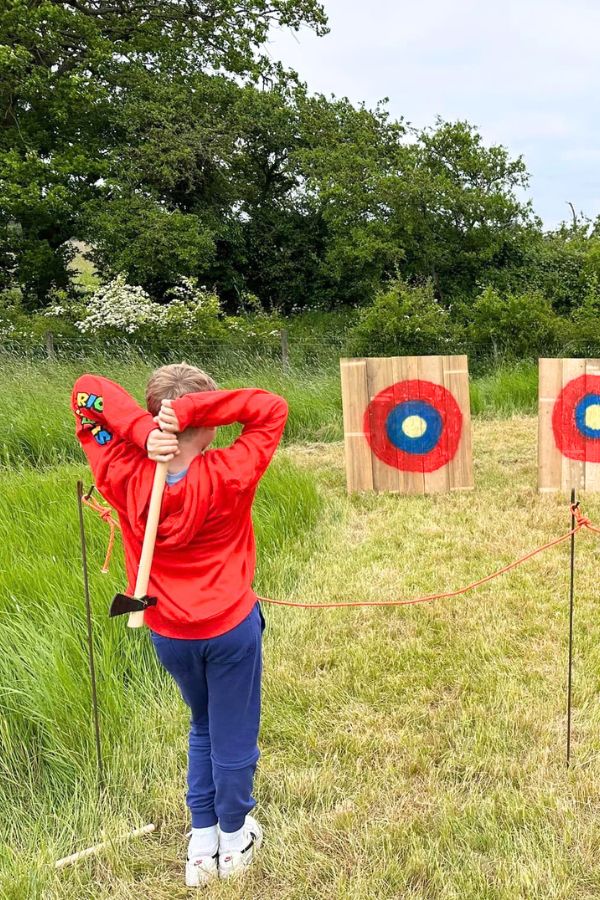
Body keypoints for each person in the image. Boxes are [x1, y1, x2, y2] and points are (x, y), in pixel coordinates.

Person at [71, 363, 288, 885]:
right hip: (230, 628)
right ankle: (233, 840)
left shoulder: (121, 470)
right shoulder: (231, 469)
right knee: (233, 733)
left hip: (170, 634)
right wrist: (189, 413)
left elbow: (86, 395)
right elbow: (270, 409)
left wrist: (141, 431)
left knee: (204, 724)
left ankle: (202, 842)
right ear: (208, 423)